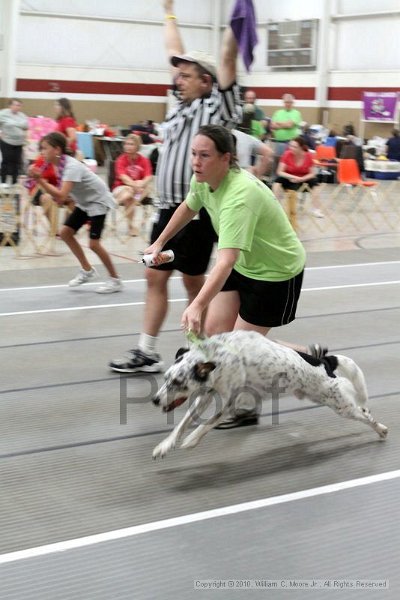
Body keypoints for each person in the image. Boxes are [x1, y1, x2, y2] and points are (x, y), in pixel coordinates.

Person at [143, 124, 316, 428]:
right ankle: (303, 352)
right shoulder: (204, 178)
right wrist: (159, 243)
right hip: (245, 265)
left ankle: (251, 404)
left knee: (239, 351)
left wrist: (196, 303)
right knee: (216, 335)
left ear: (227, 158)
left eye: (204, 155)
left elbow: (225, 261)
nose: (196, 161)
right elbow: (188, 206)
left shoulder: (239, 196)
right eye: (193, 154)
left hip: (275, 273)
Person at [109, 0, 242, 374]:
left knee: (192, 281)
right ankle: (148, 351)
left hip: (197, 214)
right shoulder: (178, 106)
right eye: (177, 74)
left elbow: (229, 59)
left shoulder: (218, 109)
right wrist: (168, 10)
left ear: (206, 81)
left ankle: (199, 348)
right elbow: (172, 47)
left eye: (186, 75)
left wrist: (238, 19)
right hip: (168, 209)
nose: (177, 79)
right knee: (154, 272)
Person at [29, 132, 123, 294]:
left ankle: (115, 280)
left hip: (98, 201)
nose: (41, 152)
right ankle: (87, 270)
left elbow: (61, 195)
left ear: (57, 149)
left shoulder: (71, 167)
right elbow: (61, 196)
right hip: (85, 202)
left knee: (94, 244)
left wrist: (40, 180)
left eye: (45, 148)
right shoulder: (58, 164)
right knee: (65, 233)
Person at [272, 136, 324, 218]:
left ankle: (316, 209)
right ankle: (275, 207)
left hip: (304, 178)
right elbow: (279, 171)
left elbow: (312, 173)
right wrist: (292, 177)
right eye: (290, 146)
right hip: (289, 178)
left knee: (315, 182)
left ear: (301, 148)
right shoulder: (286, 154)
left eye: (294, 147)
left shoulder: (309, 156)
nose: (291, 148)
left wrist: (302, 179)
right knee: (277, 182)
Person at [112, 134, 153, 236]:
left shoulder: (144, 160)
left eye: (131, 144)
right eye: (126, 144)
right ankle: (131, 227)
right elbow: (123, 177)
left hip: (138, 191)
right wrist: (134, 185)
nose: (128, 146)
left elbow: (148, 176)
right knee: (128, 194)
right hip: (121, 188)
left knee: (144, 188)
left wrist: (141, 183)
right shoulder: (121, 160)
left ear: (137, 146)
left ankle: (112, 203)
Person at [0, 98, 29, 184]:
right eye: (15, 105)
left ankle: (14, 182)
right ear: (10, 105)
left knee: (16, 163)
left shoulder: (22, 115)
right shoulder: (3, 113)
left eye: (19, 105)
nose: (17, 107)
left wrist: (15, 124)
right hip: (7, 141)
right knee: (6, 161)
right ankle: (4, 182)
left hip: (19, 142)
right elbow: (21, 125)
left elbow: (26, 126)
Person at [270, 93, 302, 168]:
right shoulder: (278, 113)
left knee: (289, 164)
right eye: (286, 102)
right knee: (277, 163)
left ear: (293, 103)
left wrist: (278, 124)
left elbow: (290, 125)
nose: (288, 104)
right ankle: (275, 178)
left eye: (289, 102)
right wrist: (285, 124)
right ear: (283, 102)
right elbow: (272, 126)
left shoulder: (296, 113)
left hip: (291, 143)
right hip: (278, 142)